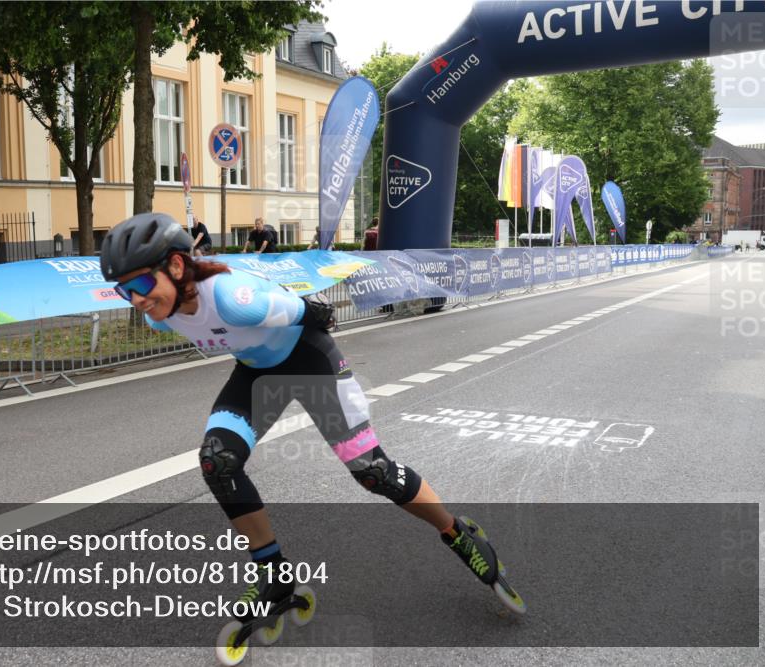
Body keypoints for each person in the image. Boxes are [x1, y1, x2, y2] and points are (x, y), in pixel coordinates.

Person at [101, 213, 524, 626]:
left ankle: (457, 533)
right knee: (218, 462)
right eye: (125, 292)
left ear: (176, 265)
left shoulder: (232, 299)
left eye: (140, 284)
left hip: (309, 361)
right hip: (258, 373)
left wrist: (316, 312)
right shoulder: (163, 313)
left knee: (373, 473)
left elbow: (312, 312)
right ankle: (275, 575)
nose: (137, 300)